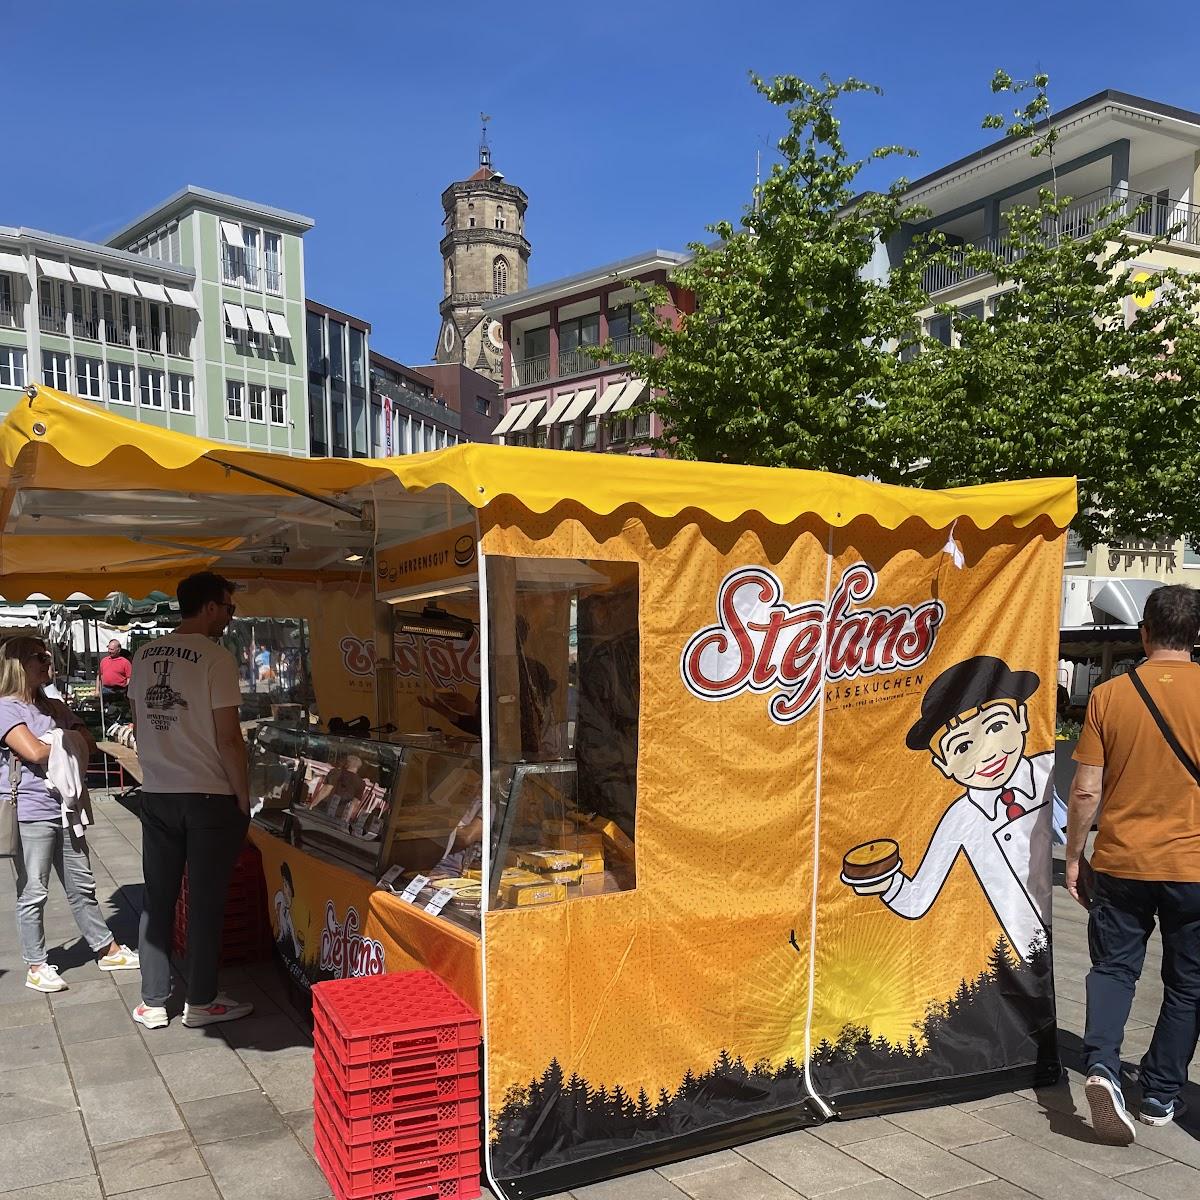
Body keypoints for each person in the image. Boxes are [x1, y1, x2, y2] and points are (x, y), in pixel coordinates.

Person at [1067, 583, 1200, 1144]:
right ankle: (1161, 1095)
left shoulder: (1110, 695)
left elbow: (1084, 792)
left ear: (1144, 633)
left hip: (1121, 862)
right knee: (1188, 984)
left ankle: (1101, 1065)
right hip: (1194, 868)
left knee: (1114, 968)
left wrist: (1074, 856)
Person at [845, 656, 1053, 963]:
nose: (987, 753)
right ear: (943, 765)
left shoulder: (1046, 770)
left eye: (996, 726)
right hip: (1024, 957)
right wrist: (885, 880)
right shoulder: (961, 817)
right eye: (963, 747)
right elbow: (917, 899)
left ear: (1022, 718)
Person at [129, 572, 253, 1030]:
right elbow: (229, 739)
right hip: (208, 794)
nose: (230, 616)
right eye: (228, 607)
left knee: (157, 898)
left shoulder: (143, 655)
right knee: (204, 901)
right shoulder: (216, 658)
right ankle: (200, 999)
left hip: (159, 791)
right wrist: (243, 796)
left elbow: (140, 725)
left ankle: (152, 1000)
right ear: (209, 607)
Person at [2, 636, 139, 992]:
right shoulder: (5, 708)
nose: (48, 661)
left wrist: (58, 737)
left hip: (65, 807)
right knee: (34, 890)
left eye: (47, 655)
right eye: (40, 657)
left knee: (83, 884)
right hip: (30, 809)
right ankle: (36, 964)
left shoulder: (50, 705)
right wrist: (63, 738)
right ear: (18, 664)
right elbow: (33, 751)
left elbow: (86, 739)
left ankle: (106, 948)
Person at [99, 639, 131, 708]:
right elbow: (100, 676)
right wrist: (97, 690)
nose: (109, 651)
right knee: (105, 710)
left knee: (119, 709)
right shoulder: (104, 661)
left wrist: (126, 690)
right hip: (106, 690)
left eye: (112, 649)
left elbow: (129, 678)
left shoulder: (125, 662)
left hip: (120, 690)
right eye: (109, 649)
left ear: (118, 650)